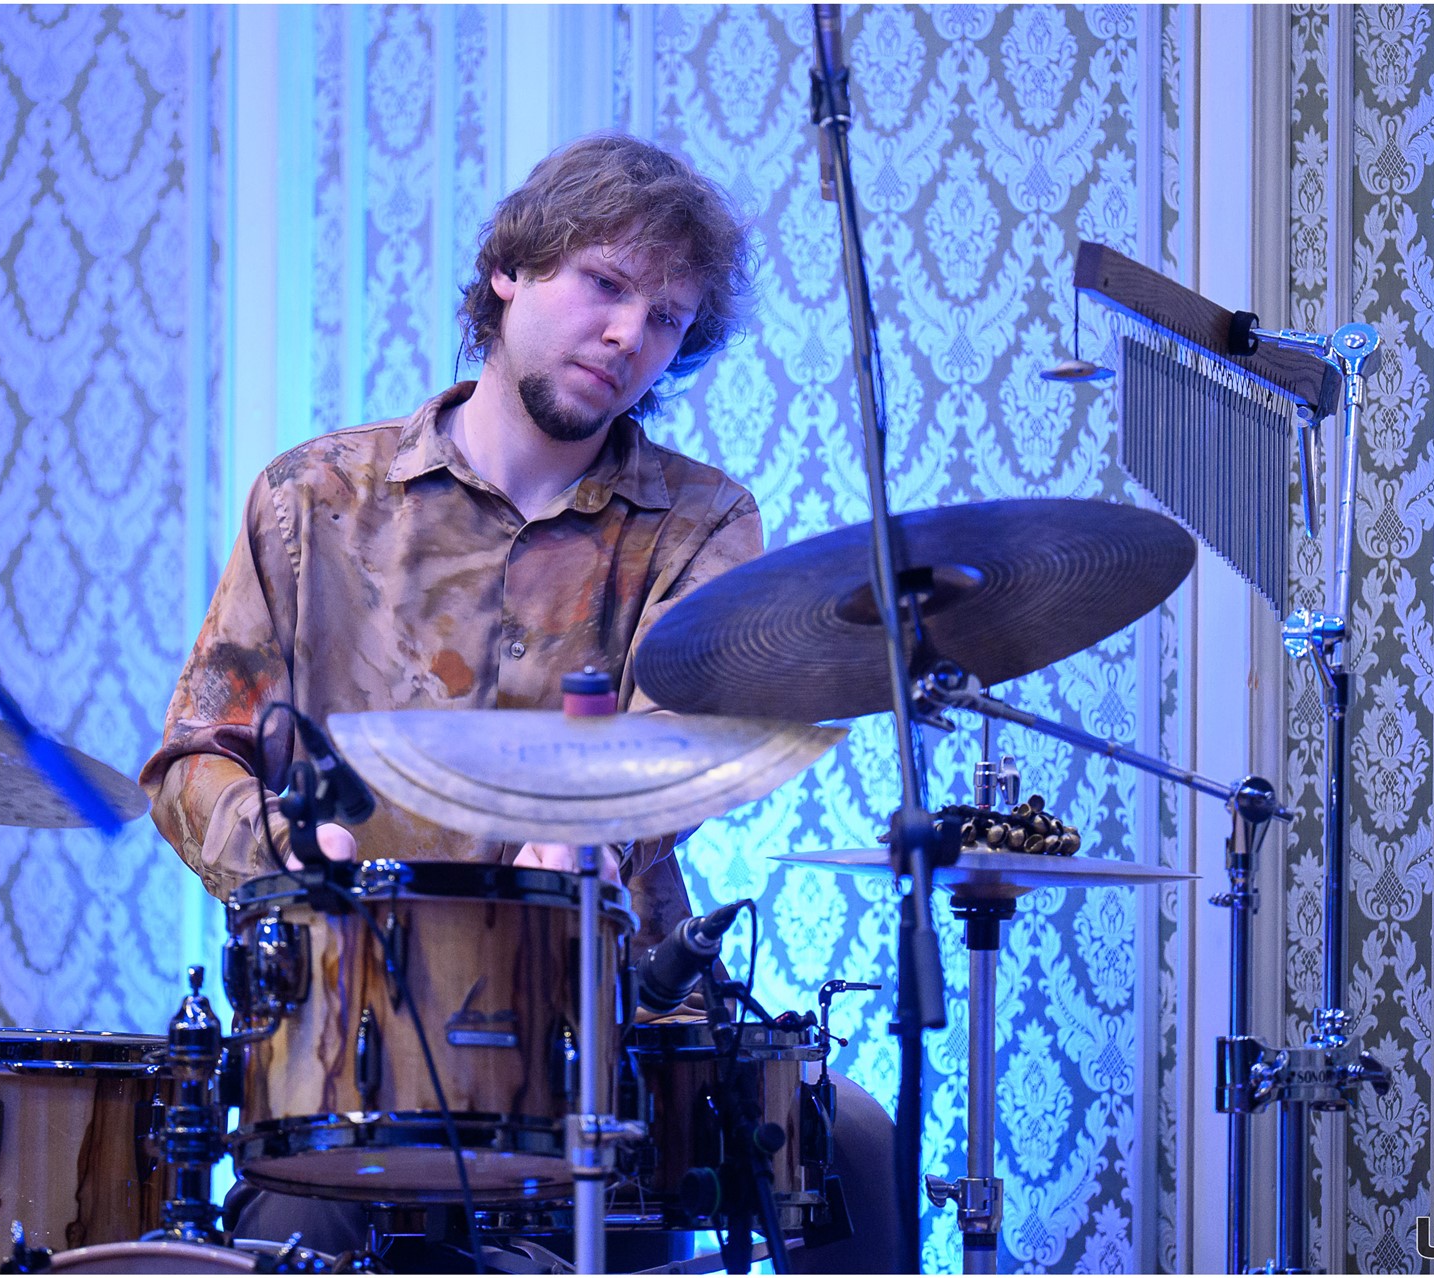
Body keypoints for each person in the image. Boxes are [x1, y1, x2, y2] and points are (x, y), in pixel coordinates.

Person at [142, 132, 897, 1273]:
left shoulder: (700, 523)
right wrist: (289, 844)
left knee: (854, 1143)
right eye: (605, 283)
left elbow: (683, 736)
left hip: (615, 1019)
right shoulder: (313, 500)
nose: (630, 335)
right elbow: (197, 754)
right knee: (301, 1227)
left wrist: (597, 833)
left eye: (668, 317)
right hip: (361, 1024)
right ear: (510, 269)